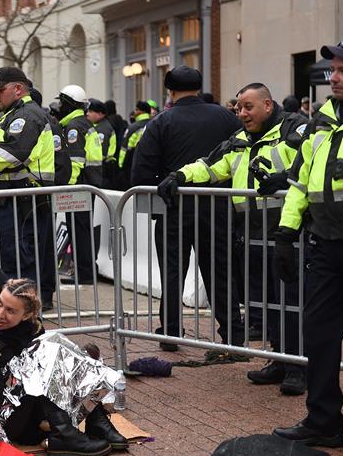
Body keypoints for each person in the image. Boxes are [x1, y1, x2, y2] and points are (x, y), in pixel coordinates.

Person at [157, 83, 307, 393]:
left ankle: (299, 367)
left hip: (289, 231)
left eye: (248, 107)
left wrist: (285, 178)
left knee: (291, 302)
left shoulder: (293, 128)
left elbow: (311, 161)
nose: (241, 113)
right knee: (266, 303)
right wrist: (180, 176)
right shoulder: (238, 141)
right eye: (238, 107)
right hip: (252, 232)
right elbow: (210, 167)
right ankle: (278, 360)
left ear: (268, 105)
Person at [272, 40, 343, 456]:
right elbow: (302, 179)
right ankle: (322, 422)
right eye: (331, 71)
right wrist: (286, 232)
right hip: (326, 244)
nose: (332, 78)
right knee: (318, 336)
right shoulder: (322, 119)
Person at [132, 65, 245, 351]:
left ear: (170, 91)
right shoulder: (226, 117)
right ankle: (232, 332)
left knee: (172, 272)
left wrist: (160, 185)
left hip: (174, 207)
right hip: (217, 204)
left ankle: (171, 332)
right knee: (220, 270)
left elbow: (142, 169)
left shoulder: (162, 121)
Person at [0, 278, 127, 456]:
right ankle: (66, 434)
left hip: (31, 408)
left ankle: (94, 419)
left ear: (26, 315)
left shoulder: (32, 329)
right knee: (46, 353)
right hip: (1, 415)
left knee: (79, 351)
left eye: (10, 311)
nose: (0, 314)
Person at [0, 67, 54, 283]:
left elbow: (12, 154)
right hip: (9, 199)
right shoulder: (14, 115)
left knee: (17, 262)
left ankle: (22, 312)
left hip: (18, 200)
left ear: (18, 88)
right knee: (10, 260)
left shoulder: (27, 115)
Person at [54, 84, 101, 284]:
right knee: (81, 230)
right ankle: (86, 272)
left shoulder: (74, 127)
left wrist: (66, 187)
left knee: (79, 232)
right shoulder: (84, 124)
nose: (59, 106)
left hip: (78, 187)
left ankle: (85, 274)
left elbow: (75, 162)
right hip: (87, 185)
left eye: (62, 102)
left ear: (69, 104)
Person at [115, 100, 152, 190]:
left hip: (133, 162)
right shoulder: (154, 123)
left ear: (141, 111)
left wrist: (120, 166)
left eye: (136, 109)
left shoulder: (133, 127)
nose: (134, 112)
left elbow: (124, 148)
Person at [87, 98, 117, 189]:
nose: (87, 114)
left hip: (103, 169)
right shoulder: (98, 126)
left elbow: (100, 152)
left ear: (100, 114)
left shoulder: (102, 130)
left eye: (91, 111)